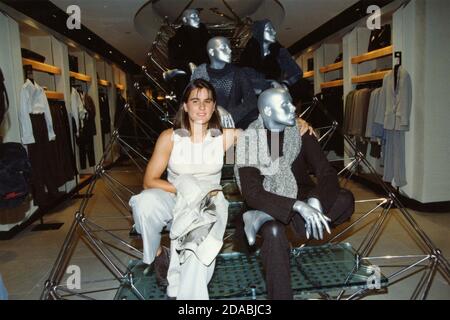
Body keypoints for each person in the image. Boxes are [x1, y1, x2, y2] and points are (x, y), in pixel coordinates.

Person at [129, 79, 314, 299]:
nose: (202, 107)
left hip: (210, 201)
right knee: (143, 202)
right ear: (185, 106)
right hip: (174, 195)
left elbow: (268, 137)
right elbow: (149, 180)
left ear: (214, 106)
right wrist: (187, 191)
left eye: (208, 101)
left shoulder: (224, 136)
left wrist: (294, 122)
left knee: (197, 245)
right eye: (195, 101)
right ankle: (159, 253)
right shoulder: (170, 137)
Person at [235, 88, 355, 300]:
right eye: (285, 105)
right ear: (268, 112)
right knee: (273, 231)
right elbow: (252, 193)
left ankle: (282, 220)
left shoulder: (299, 132)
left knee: (346, 199)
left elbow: (326, 172)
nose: (293, 109)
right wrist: (298, 207)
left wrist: (315, 200)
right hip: (265, 199)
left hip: (302, 194)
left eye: (291, 102)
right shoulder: (250, 140)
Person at [239, 20, 304, 104]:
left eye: (273, 29)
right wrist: (270, 83)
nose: (274, 32)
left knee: (303, 84)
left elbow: (297, 72)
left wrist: (285, 84)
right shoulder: (249, 53)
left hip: (278, 91)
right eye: (269, 29)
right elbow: (247, 78)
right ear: (260, 32)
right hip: (258, 94)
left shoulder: (279, 51)